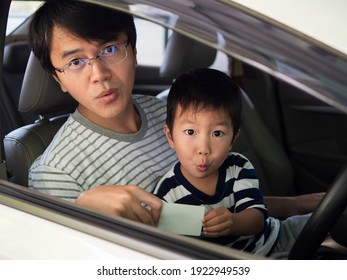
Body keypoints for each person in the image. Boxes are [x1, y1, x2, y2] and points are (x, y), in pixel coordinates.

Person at [27, 0, 322, 230]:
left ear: (134, 49)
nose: (100, 74)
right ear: (58, 79)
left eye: (111, 48)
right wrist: (83, 210)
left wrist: (297, 205)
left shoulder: (165, 112)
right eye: (76, 61)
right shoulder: (54, 172)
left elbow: (218, 206)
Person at [153, 68, 309, 258]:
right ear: (170, 136)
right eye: (190, 132)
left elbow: (257, 217)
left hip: (276, 235)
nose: (203, 148)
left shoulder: (237, 166)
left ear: (233, 139)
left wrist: (233, 222)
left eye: (217, 134)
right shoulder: (167, 194)